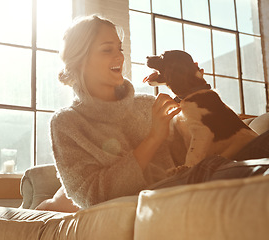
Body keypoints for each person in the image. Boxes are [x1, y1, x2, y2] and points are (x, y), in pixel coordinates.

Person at [35, 15, 269, 212]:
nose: (120, 57)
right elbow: (90, 196)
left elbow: (204, 138)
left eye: (120, 48)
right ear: (80, 60)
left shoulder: (149, 104)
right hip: (168, 191)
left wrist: (196, 87)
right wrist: (154, 137)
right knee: (217, 170)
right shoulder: (66, 123)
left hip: (202, 174)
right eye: (107, 50)